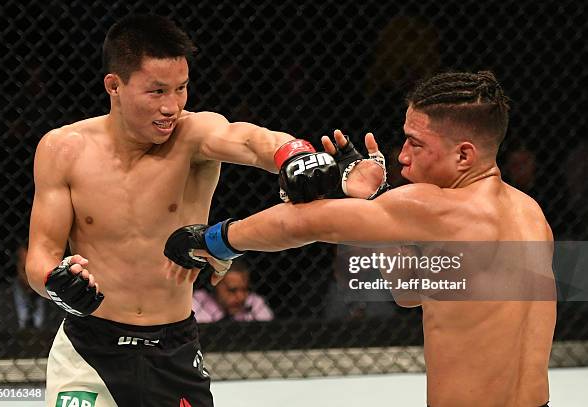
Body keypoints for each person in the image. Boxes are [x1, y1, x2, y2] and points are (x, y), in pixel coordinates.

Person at [25, 14, 384, 407]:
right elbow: (41, 255)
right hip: (87, 348)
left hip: (172, 345)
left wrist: (294, 154)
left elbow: (249, 140)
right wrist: (56, 284)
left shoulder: (191, 135)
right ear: (114, 85)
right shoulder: (63, 149)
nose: (172, 107)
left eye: (181, 89)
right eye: (156, 91)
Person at [166, 71, 556, 407]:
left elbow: (303, 223)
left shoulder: (437, 207)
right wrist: (375, 200)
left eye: (416, 143)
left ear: (464, 155)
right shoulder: (530, 214)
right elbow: (410, 292)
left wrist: (217, 239)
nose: (402, 155)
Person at [193, 260, 273, 323]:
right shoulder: (196, 304)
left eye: (245, 289)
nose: (241, 297)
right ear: (214, 285)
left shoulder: (255, 303)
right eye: (232, 290)